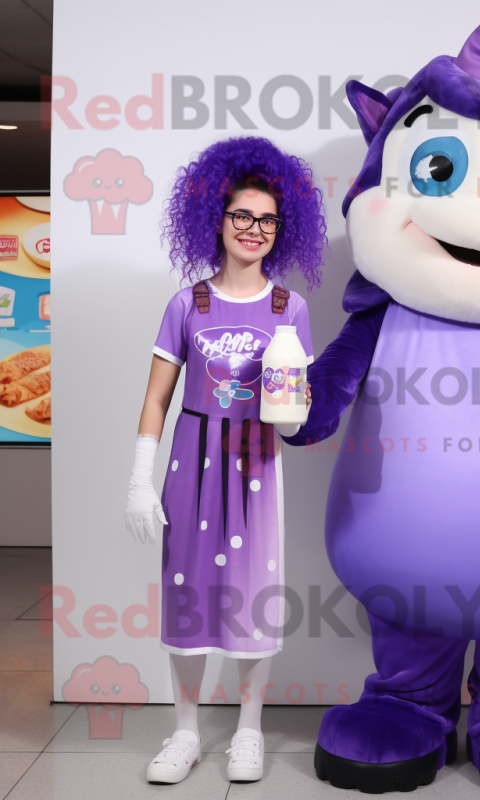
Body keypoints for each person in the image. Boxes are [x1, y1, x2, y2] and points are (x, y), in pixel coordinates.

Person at [124, 136, 326, 784]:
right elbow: (156, 399)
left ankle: (247, 730)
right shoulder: (189, 303)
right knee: (187, 595)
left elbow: (297, 409)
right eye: (242, 215)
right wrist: (139, 479)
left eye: (267, 219)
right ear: (217, 217)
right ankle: (184, 731)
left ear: (282, 227)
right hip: (193, 460)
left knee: (251, 596)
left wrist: (296, 411)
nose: (254, 229)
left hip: (257, 466)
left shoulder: (287, 308)